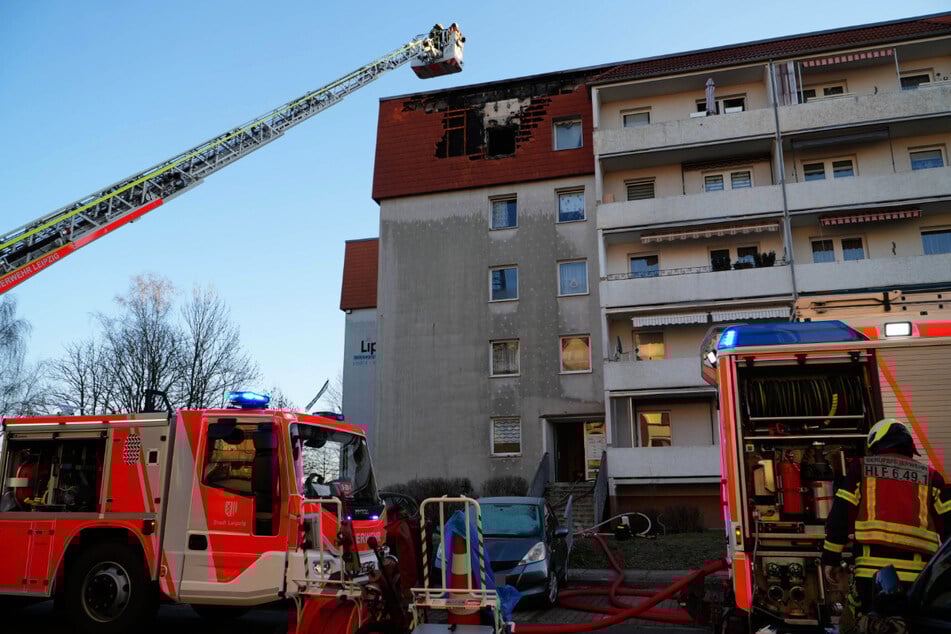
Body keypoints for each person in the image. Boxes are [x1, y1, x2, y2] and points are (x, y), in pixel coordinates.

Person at [822, 418, 951, 623]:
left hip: (873, 576)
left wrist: (830, 558)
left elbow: (840, 516)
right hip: (918, 578)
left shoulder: (862, 469)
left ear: (877, 443)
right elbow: (948, 526)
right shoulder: (931, 477)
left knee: (861, 625)